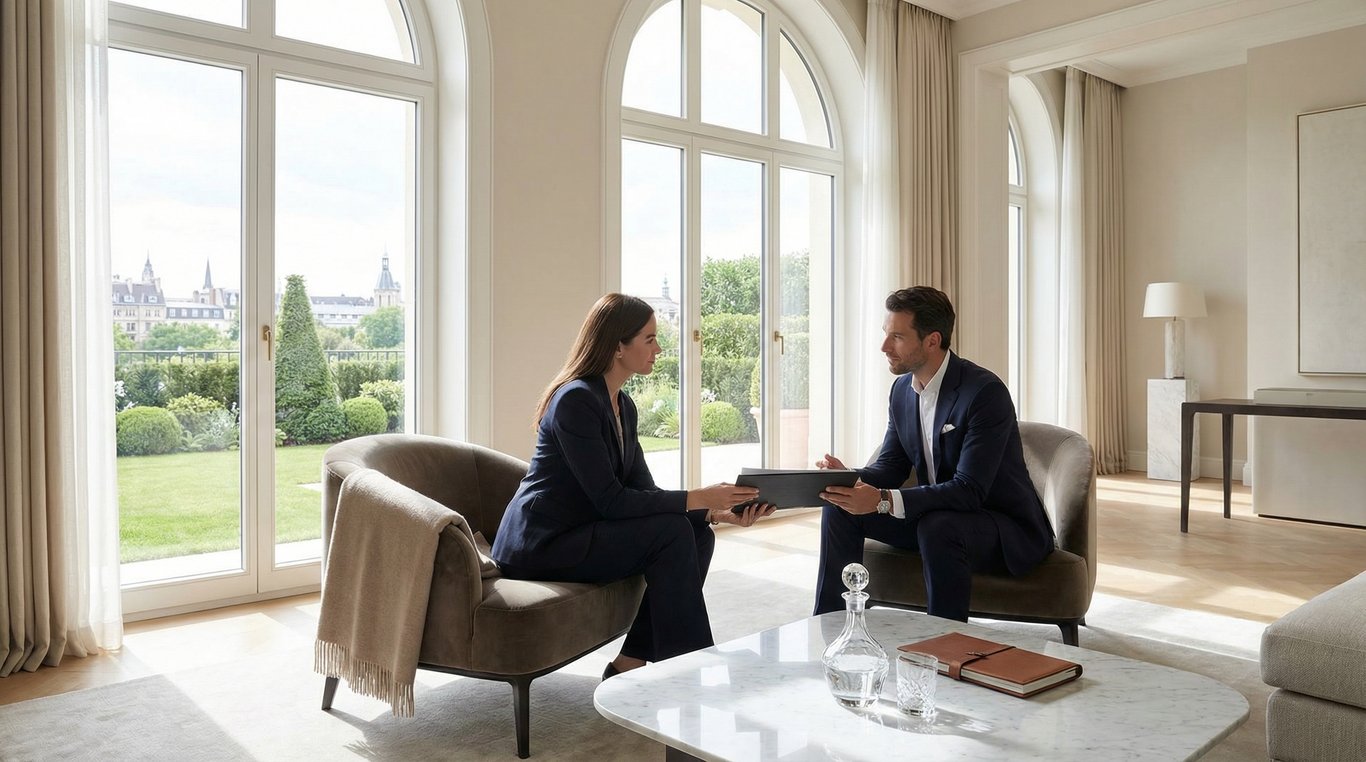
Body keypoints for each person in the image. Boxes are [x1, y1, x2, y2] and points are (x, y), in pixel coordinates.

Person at [491, 293, 775, 679]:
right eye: (650, 339)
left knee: (696, 533)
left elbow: (642, 489)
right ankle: (691, 666)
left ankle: (630, 662)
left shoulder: (623, 404)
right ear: (618, 346)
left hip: (583, 529)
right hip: (544, 542)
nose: (659, 349)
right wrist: (697, 496)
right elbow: (610, 501)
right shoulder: (575, 400)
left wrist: (712, 511)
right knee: (674, 531)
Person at [813, 286, 1054, 621]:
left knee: (939, 527)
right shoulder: (901, 390)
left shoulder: (985, 393)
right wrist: (848, 480)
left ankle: (945, 642)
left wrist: (883, 499)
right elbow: (891, 465)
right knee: (841, 509)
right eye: (886, 334)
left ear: (932, 340)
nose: (884, 347)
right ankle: (830, 624)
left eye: (897, 337)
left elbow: (970, 490)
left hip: (1000, 527)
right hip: (936, 516)